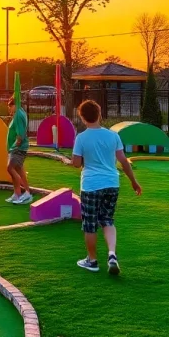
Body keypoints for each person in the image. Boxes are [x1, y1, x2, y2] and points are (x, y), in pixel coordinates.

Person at [69, 100, 142, 275]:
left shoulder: (81, 138)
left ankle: (92, 261)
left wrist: (74, 159)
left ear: (82, 117)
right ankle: (111, 255)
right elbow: (123, 161)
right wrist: (133, 181)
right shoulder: (113, 136)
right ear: (99, 114)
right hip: (112, 183)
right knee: (107, 220)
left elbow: (76, 163)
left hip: (91, 185)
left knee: (90, 225)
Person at [5, 96, 33, 204]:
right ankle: (19, 193)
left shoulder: (18, 115)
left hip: (18, 147)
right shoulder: (19, 114)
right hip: (17, 147)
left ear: (14, 105)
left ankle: (23, 192)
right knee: (18, 169)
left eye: (10, 107)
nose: (10, 110)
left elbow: (20, 135)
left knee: (10, 168)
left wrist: (14, 146)